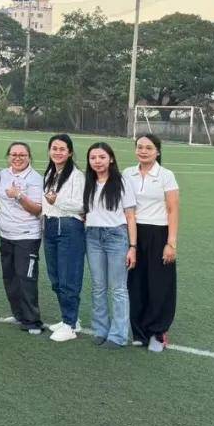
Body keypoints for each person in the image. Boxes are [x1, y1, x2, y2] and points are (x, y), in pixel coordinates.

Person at [123, 134, 179, 352]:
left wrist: (171, 243)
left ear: (157, 152)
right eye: (140, 147)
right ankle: (139, 331)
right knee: (135, 283)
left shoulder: (166, 175)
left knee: (159, 284)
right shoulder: (128, 173)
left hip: (158, 233)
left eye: (148, 147)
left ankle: (157, 331)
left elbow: (173, 209)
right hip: (133, 233)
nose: (143, 151)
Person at [82, 141, 138, 349]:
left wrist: (132, 247)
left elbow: (130, 216)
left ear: (111, 159)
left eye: (102, 157)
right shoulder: (87, 182)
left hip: (116, 237)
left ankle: (118, 335)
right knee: (98, 287)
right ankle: (101, 330)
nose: (97, 161)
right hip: (92, 237)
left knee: (118, 288)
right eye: (93, 158)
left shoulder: (122, 182)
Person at [41, 134, 87, 343]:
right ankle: (70, 318)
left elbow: (82, 205)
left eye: (62, 149)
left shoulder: (76, 176)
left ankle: (70, 325)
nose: (57, 152)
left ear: (70, 152)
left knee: (68, 278)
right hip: (50, 226)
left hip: (69, 227)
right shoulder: (51, 173)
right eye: (54, 148)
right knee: (56, 278)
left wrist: (57, 200)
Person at [0, 142, 45, 334]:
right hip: (6, 234)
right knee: (10, 277)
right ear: (8, 156)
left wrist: (18, 195)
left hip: (27, 236)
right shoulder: (2, 174)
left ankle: (32, 321)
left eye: (22, 155)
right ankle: (19, 314)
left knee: (26, 278)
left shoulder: (35, 179)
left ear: (29, 157)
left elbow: (37, 209)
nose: (17, 158)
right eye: (14, 154)